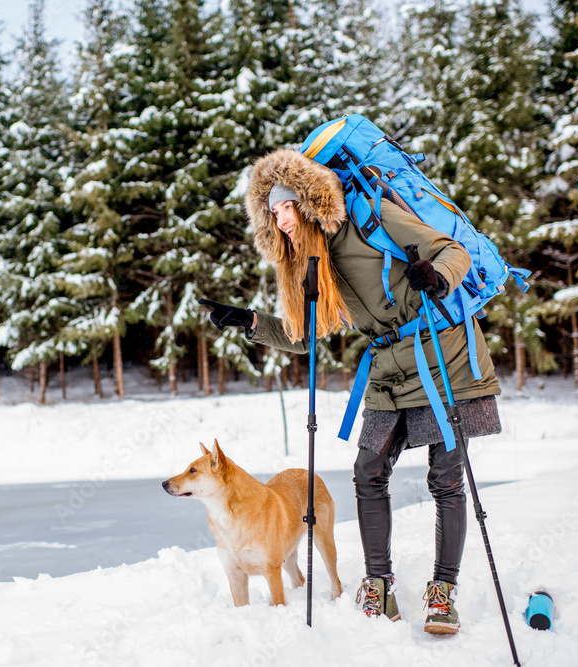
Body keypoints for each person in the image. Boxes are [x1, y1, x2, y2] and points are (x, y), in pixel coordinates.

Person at [199, 146, 502, 634]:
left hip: (444, 351)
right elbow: (305, 334)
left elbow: (453, 251)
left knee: (445, 476)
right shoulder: (310, 263)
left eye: (283, 208)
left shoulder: (371, 217)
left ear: (305, 201)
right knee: (368, 470)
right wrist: (250, 322)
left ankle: (442, 592)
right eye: (270, 214)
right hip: (387, 362)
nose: (280, 221)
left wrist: (437, 275)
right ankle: (378, 584)